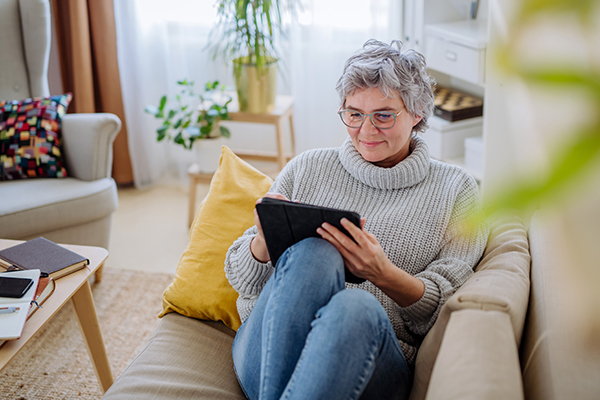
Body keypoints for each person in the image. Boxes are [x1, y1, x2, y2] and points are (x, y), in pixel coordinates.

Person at [225, 39, 489, 400]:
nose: (366, 131)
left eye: (383, 115)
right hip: (265, 349)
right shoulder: (308, 167)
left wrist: (383, 273)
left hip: (366, 358)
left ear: (418, 114)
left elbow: (445, 307)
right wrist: (261, 242)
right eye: (354, 114)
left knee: (357, 306)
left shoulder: (456, 191)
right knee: (313, 253)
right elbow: (245, 281)